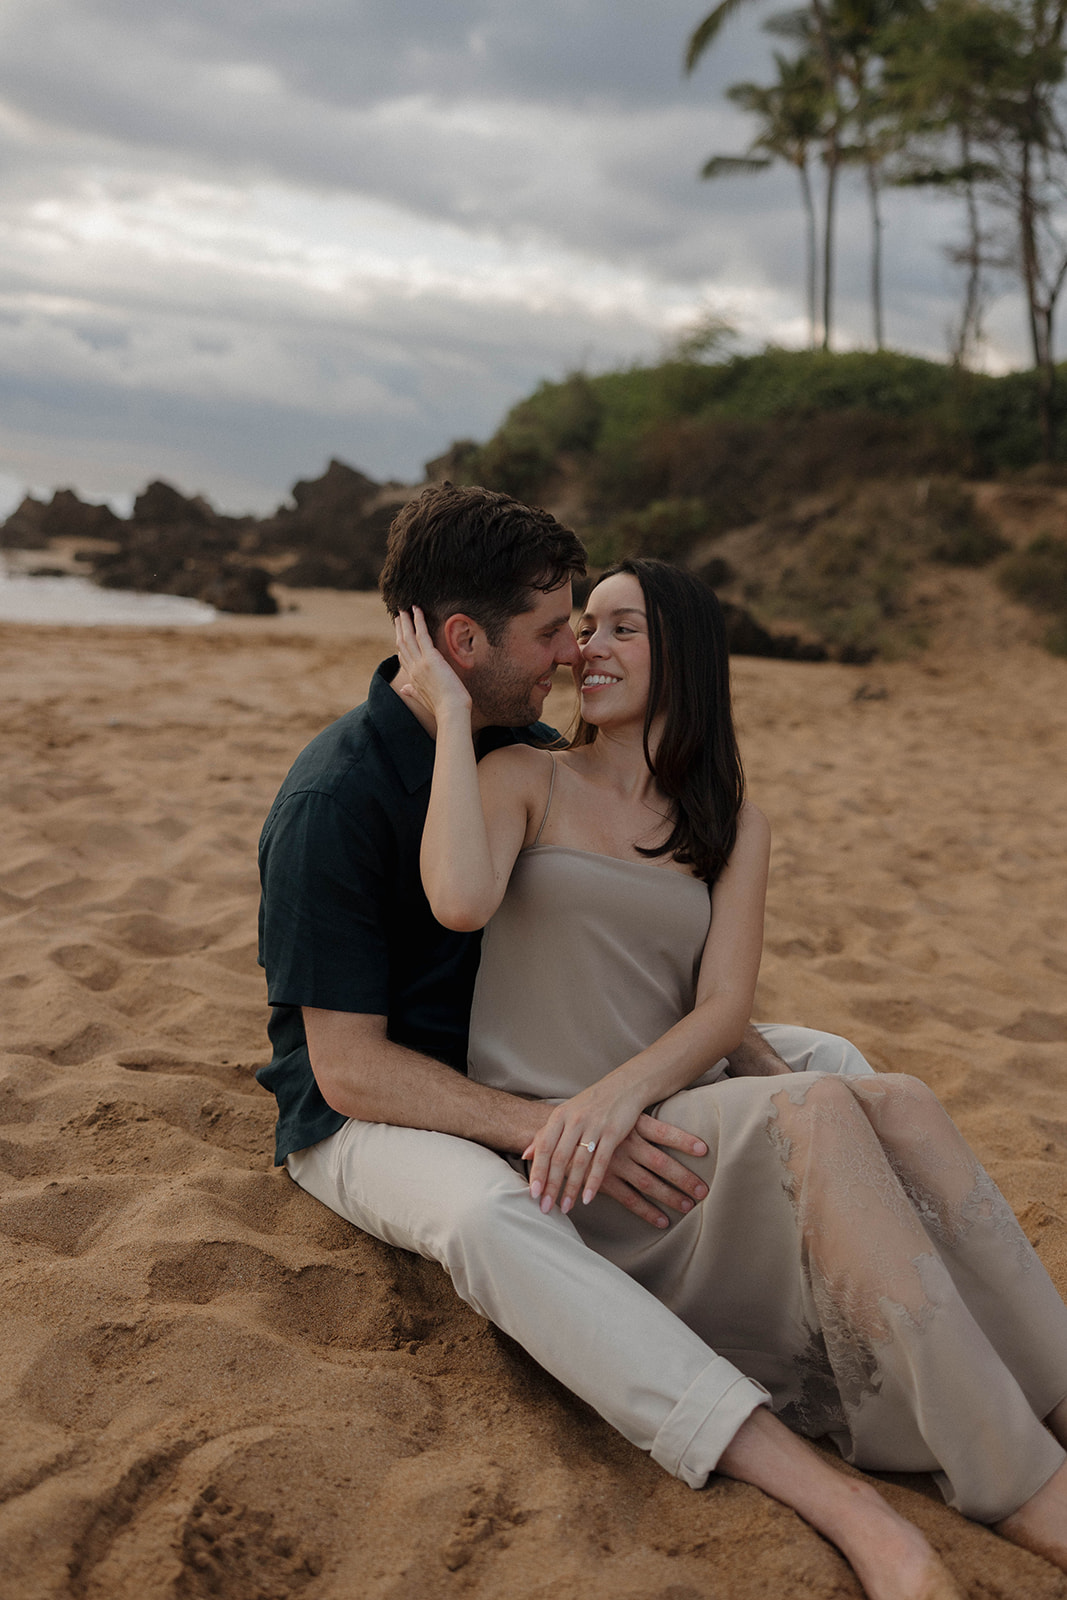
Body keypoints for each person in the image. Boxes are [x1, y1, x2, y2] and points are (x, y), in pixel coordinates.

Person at [394, 551, 1067, 1600]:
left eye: (621, 629)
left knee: (900, 1098)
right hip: (581, 1168)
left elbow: (719, 1008)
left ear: (686, 656)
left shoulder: (730, 821)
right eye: (585, 629)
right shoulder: (523, 776)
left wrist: (626, 1088)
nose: (586, 648)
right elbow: (457, 899)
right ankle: (1017, 1482)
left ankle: (1055, 1395)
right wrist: (445, 713)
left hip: (665, 1127)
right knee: (812, 1099)